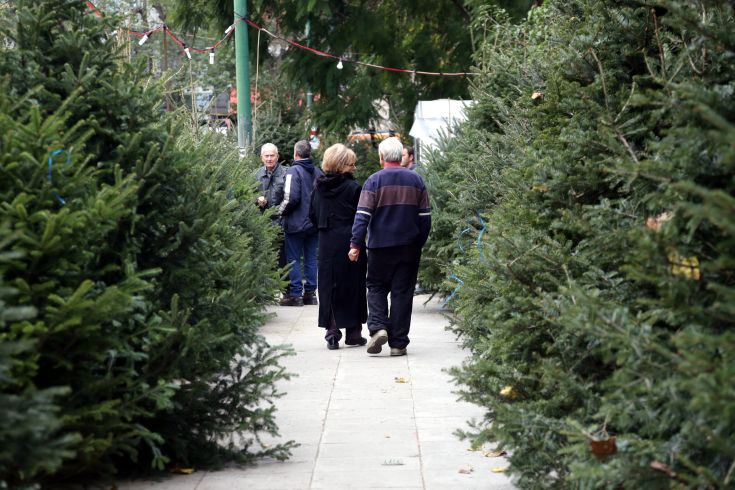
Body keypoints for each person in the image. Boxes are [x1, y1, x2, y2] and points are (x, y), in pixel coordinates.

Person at [348, 137, 431, 356]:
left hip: (380, 247)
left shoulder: (374, 181)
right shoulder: (416, 181)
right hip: (409, 246)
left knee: (376, 287)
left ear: (382, 157)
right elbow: (425, 217)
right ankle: (398, 343)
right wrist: (418, 242)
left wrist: (356, 243)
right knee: (402, 293)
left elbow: (362, 216)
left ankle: (378, 327)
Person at [309, 144, 368, 350]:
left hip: (326, 242)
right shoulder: (354, 188)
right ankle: (353, 332)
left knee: (328, 285)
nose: (354, 168)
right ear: (342, 165)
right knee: (354, 285)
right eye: (351, 164)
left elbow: (312, 215)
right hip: (351, 241)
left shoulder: (319, 187)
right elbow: (362, 216)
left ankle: (332, 332)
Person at [279, 140, 324, 307]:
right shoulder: (318, 172)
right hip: (313, 224)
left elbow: (291, 198)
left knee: (293, 259)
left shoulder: (293, 171)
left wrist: (279, 211)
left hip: (295, 223)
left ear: (295, 154)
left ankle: (296, 295)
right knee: (311, 258)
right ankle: (311, 294)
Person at [255, 143, 287, 270]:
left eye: (272, 155)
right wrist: (257, 200)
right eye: (266, 156)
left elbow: (291, 198)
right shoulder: (256, 175)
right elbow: (247, 195)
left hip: (282, 224)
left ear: (277, 156)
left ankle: (286, 288)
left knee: (282, 260)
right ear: (261, 157)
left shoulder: (286, 173)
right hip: (263, 223)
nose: (269, 159)